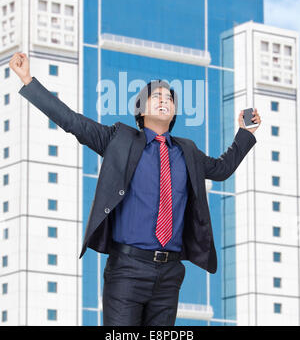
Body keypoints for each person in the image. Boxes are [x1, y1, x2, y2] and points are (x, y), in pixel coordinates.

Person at [9, 52, 261, 326]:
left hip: (170, 274)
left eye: (170, 99)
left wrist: (245, 133)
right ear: (141, 111)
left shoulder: (187, 151)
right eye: (157, 97)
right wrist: (28, 79)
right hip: (127, 270)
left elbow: (222, 170)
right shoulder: (119, 139)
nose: (165, 101)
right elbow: (73, 121)